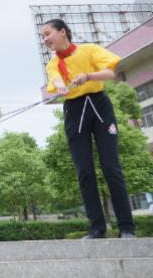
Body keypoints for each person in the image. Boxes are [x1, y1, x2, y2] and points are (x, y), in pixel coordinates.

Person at [42, 18, 135, 239]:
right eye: (43, 37)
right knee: (84, 171)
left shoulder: (89, 50)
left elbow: (110, 73)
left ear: (62, 32)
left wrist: (88, 76)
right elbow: (55, 79)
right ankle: (97, 228)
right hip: (74, 111)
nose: (45, 39)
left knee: (111, 167)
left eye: (47, 34)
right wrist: (62, 87)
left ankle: (127, 228)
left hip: (99, 105)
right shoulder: (53, 63)